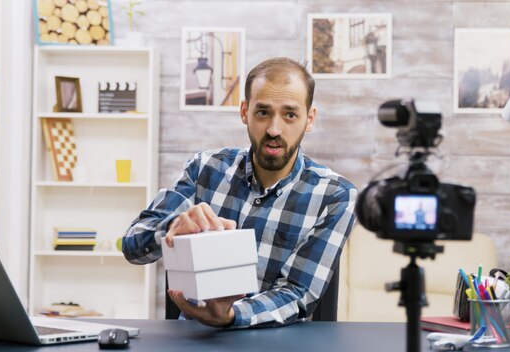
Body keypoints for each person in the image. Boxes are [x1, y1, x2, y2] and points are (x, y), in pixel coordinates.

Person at [122, 57, 357, 329]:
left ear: (309, 119)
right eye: (262, 112)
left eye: (290, 114)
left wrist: (232, 315)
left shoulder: (335, 195)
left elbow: (297, 292)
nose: (274, 129)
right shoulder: (205, 169)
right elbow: (132, 247)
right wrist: (171, 228)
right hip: (195, 339)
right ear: (244, 111)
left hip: (279, 342)